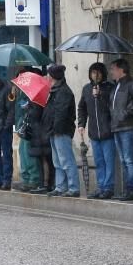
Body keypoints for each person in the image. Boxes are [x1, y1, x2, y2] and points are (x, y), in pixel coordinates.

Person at [78, 62, 116, 199]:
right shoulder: (87, 89)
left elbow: (112, 108)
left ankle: (108, 187)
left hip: (108, 131)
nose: (96, 75)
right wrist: (81, 124)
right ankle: (101, 186)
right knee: (99, 161)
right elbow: (82, 108)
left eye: (98, 72)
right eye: (93, 72)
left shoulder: (110, 88)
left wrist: (100, 96)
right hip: (94, 132)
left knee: (109, 161)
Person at [110, 58, 133, 201]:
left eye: (113, 68)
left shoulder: (132, 84)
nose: (111, 71)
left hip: (128, 126)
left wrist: (126, 112)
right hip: (117, 127)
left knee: (130, 160)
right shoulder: (116, 86)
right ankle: (127, 189)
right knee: (124, 160)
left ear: (121, 70)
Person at [44, 64, 80, 197]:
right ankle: (60, 186)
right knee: (57, 161)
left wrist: (55, 128)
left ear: (53, 76)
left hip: (61, 131)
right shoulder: (54, 90)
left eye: (49, 74)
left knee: (66, 160)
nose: (47, 76)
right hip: (54, 131)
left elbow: (61, 113)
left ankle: (73, 187)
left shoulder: (63, 91)